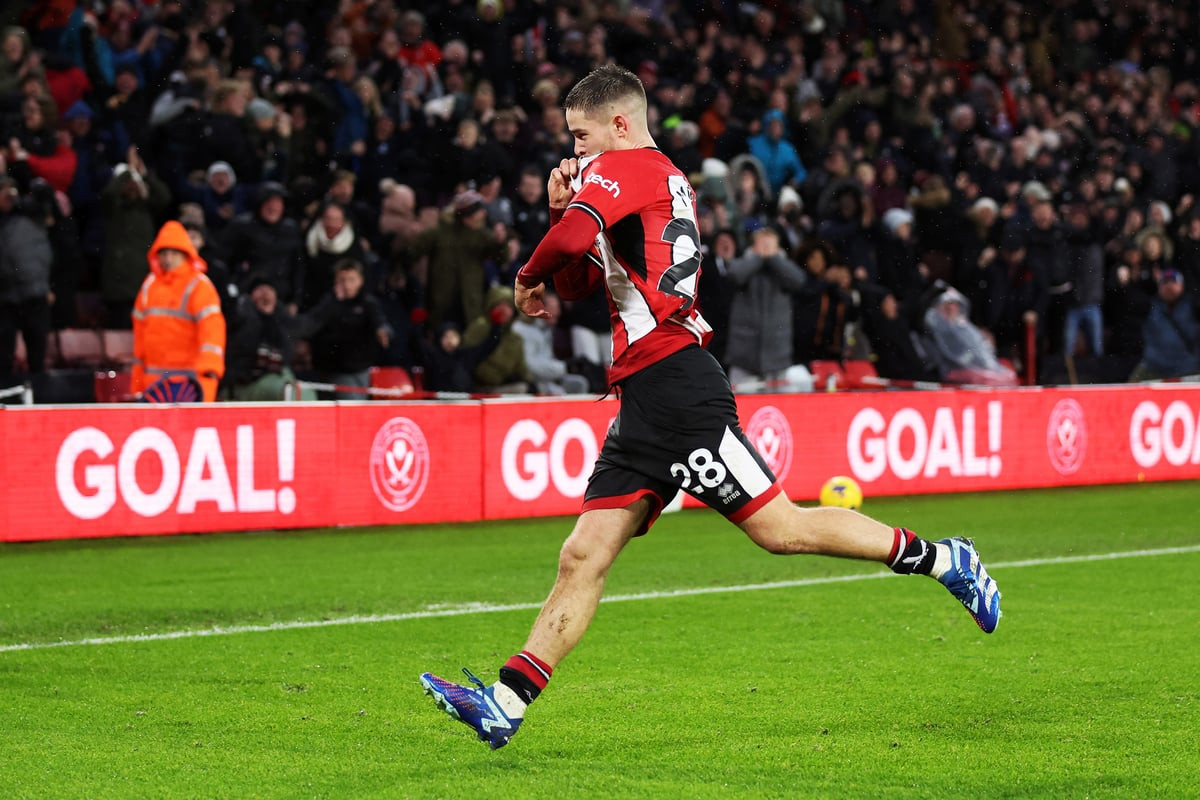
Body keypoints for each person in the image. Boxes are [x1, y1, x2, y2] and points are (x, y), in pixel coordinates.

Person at [420, 65, 1002, 751]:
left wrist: (525, 272)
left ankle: (943, 559)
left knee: (780, 529)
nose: (575, 152)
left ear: (619, 124)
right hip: (644, 397)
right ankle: (505, 705)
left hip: (676, 386)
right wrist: (557, 214)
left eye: (581, 137)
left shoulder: (626, 165)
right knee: (582, 555)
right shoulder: (651, 177)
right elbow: (582, 277)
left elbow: (567, 256)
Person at [130, 220, 226, 403]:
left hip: (187, 387)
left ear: (185, 254)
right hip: (154, 387)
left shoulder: (199, 286)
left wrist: (207, 383)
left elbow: (212, 335)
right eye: (164, 253)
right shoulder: (149, 286)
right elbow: (139, 341)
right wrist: (137, 385)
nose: (168, 259)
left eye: (174, 253)